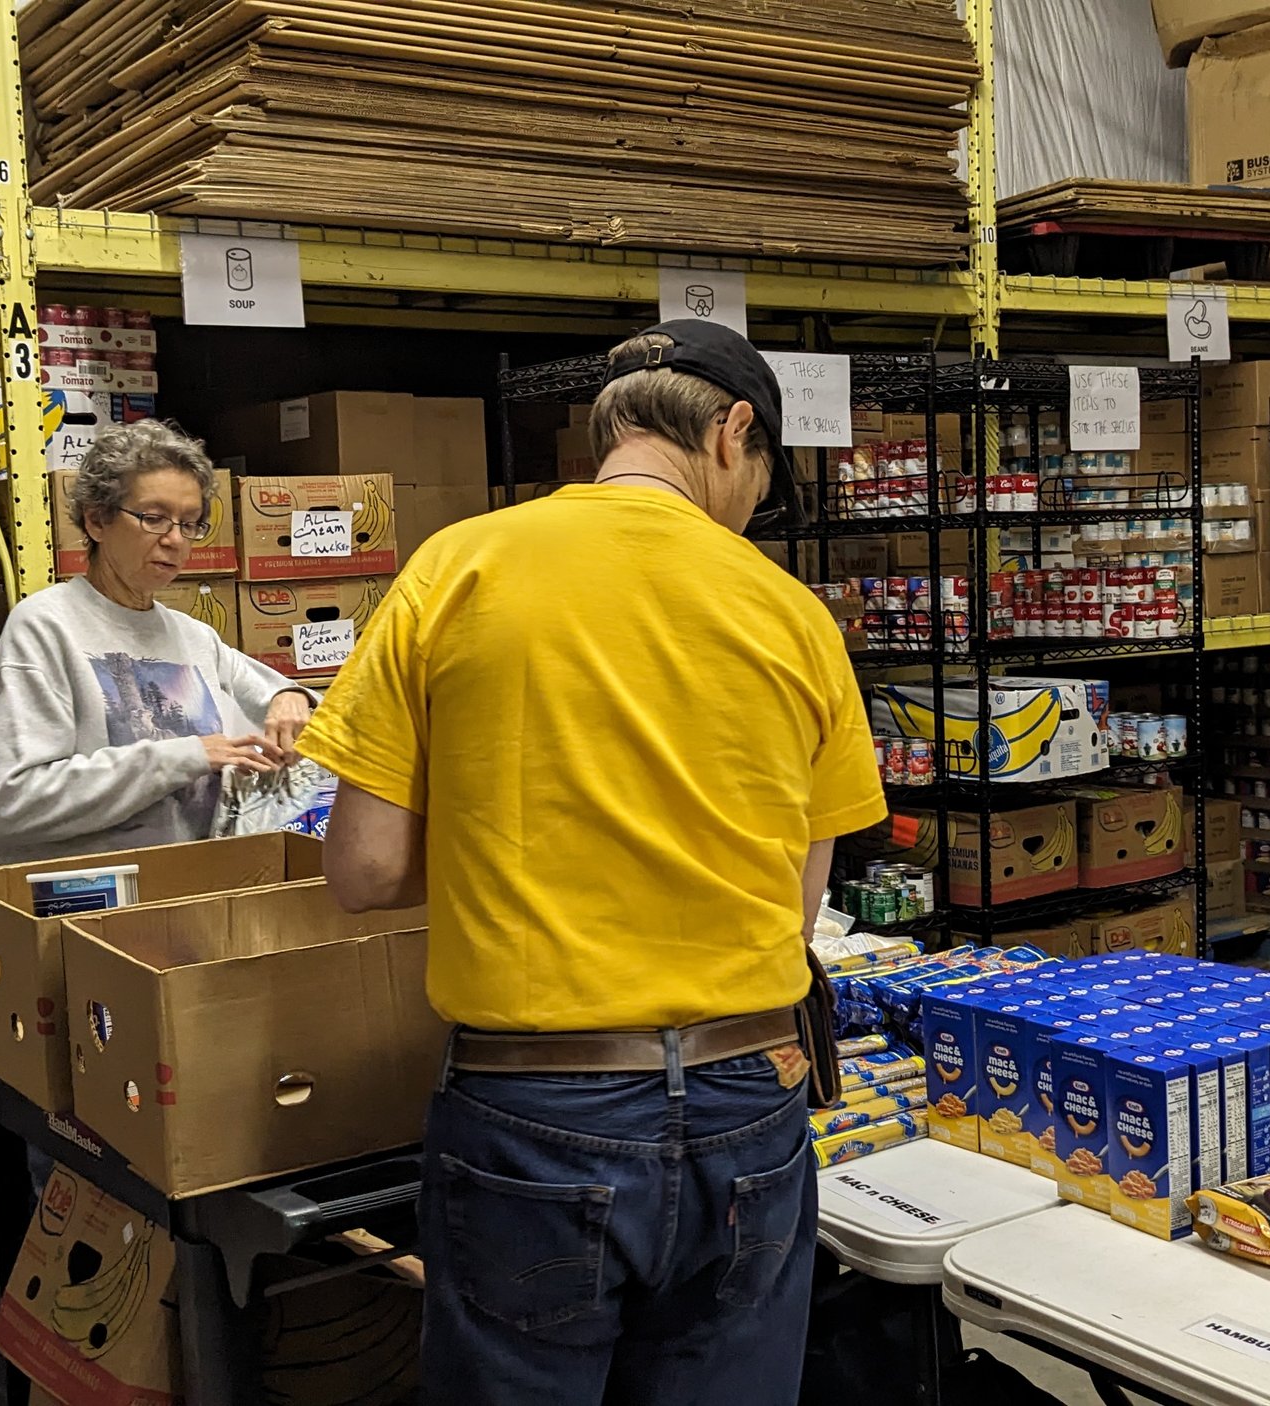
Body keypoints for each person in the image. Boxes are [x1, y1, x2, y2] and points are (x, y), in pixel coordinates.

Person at [301, 321, 886, 1406]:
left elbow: (364, 870)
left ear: (608, 427)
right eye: (759, 477)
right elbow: (794, 902)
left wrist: (503, 841)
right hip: (746, 1104)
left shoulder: (459, 565)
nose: (751, 501)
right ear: (732, 432)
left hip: (535, 1113)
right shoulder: (793, 615)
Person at [0, 420, 309, 865]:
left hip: (187, 890)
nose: (174, 540)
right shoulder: (45, 627)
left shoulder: (192, 637)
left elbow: (274, 694)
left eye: (189, 523)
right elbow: (13, 804)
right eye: (153, 518)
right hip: (84, 903)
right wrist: (186, 756)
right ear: (97, 520)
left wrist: (290, 697)